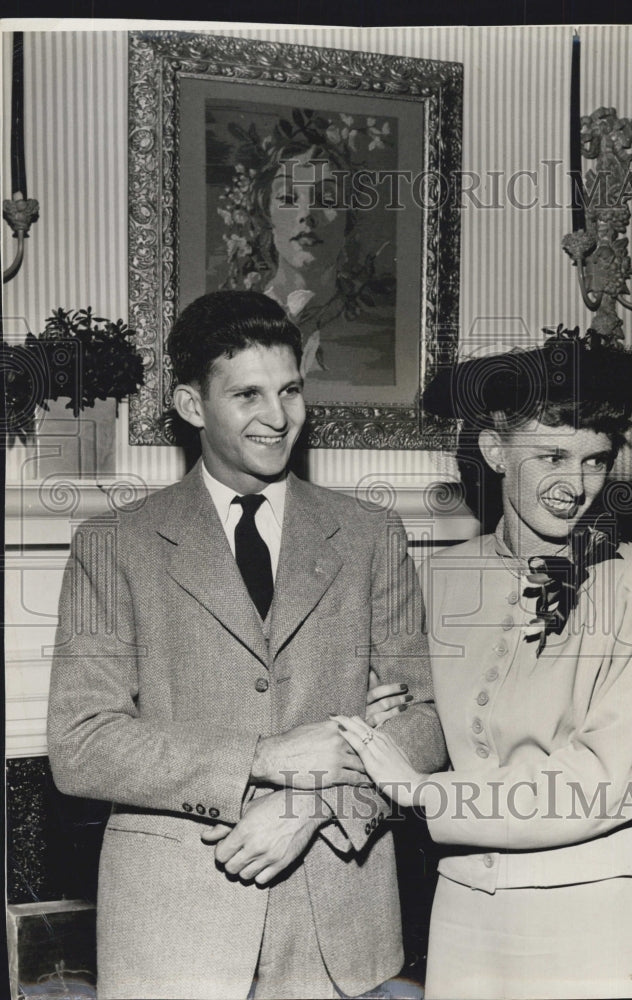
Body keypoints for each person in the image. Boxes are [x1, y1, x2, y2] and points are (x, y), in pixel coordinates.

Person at [47, 290, 445, 1000]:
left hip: (339, 922)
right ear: (192, 406)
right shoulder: (113, 546)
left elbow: (428, 722)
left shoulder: (370, 535)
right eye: (248, 394)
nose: (277, 417)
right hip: (172, 929)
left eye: (290, 390)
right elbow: (83, 744)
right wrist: (263, 759)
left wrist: (315, 806)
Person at [334, 328, 632, 999]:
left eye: (596, 460)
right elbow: (430, 724)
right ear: (496, 451)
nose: (576, 484)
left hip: (590, 907)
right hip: (465, 906)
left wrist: (420, 793)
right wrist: (387, 723)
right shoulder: (440, 577)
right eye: (553, 455)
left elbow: (600, 778)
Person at [221, 112, 396, 383]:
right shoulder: (233, 326)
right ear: (265, 212)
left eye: (327, 199)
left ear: (349, 217)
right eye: (288, 197)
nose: (307, 213)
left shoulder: (377, 331)